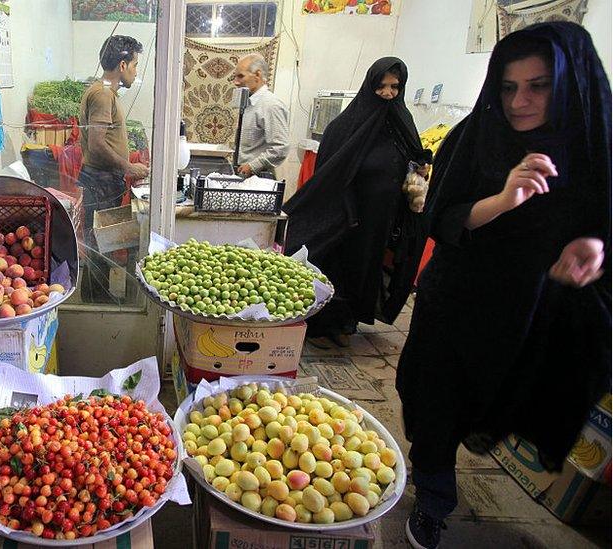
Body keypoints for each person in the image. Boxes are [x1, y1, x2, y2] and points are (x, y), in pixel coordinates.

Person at [396, 22, 610, 549]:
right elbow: (443, 218)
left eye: (538, 86)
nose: (520, 102)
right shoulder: (479, 135)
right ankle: (434, 499)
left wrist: (596, 249)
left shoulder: (593, 143)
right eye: (509, 87)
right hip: (463, 296)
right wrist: (504, 199)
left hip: (539, 308)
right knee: (438, 400)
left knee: (524, 397)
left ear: (570, 85)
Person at [281, 57, 431, 347]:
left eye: (395, 87)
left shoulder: (402, 122)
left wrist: (419, 167)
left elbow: (414, 155)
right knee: (337, 268)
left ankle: (347, 324)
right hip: (346, 217)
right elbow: (331, 175)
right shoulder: (345, 126)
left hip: (381, 220)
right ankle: (323, 325)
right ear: (369, 85)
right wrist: (347, 210)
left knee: (365, 270)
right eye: (381, 87)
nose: (388, 93)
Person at [78, 35, 149, 301]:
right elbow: (96, 145)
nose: (135, 70)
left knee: (102, 242)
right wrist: (128, 166)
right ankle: (97, 301)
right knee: (99, 243)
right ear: (122, 64)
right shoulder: (103, 94)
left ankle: (98, 295)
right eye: (135, 65)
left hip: (104, 179)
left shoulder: (105, 92)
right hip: (100, 180)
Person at [232, 53, 290, 179]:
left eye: (240, 76)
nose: (236, 82)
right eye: (235, 77)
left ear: (257, 75)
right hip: (246, 176)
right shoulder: (249, 103)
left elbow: (281, 147)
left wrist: (253, 166)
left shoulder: (270, 105)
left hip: (259, 179)